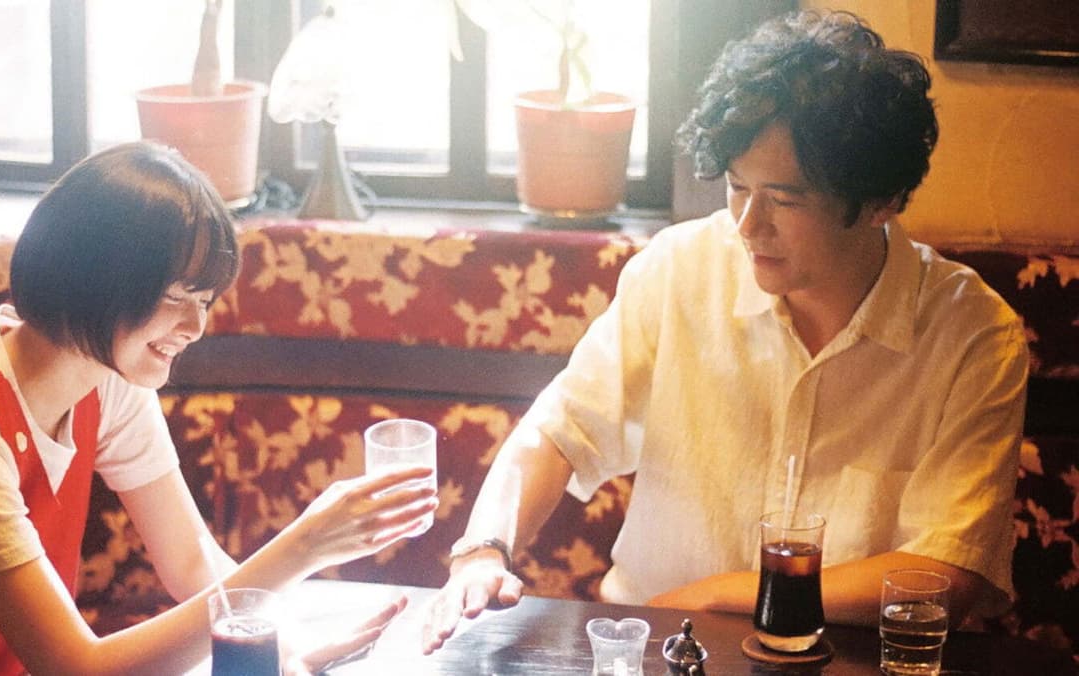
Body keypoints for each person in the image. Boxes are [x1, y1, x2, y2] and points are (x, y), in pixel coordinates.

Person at [423, 9, 1027, 653]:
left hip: (845, 659)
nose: (747, 224)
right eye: (738, 187)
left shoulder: (973, 335)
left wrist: (721, 596)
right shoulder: (678, 270)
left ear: (883, 200)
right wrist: (484, 549)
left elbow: (948, 572)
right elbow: (556, 433)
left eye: (785, 200)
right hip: (655, 649)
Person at [0, 142, 438, 676]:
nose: (195, 327)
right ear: (90, 277)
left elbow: (193, 564)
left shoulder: (107, 379)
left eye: (204, 300)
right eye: (175, 296)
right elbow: (72, 667)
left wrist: (286, 648)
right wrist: (304, 547)